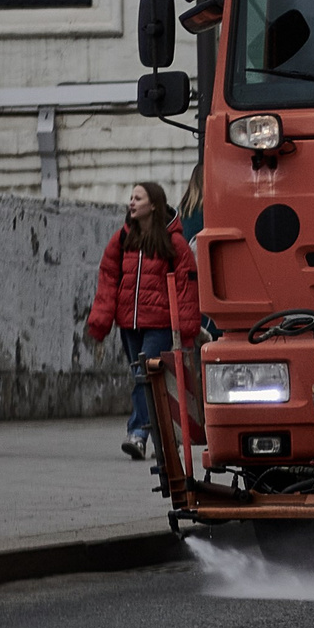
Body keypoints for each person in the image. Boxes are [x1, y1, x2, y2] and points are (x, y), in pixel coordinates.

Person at [86, 180, 201, 461]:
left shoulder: (173, 242)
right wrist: (101, 318)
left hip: (159, 324)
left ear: (153, 205)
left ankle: (137, 434)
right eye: (131, 198)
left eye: (138, 198)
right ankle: (161, 437)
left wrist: (186, 327)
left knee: (144, 377)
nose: (131, 203)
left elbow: (187, 285)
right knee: (145, 379)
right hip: (129, 324)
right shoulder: (123, 238)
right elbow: (108, 277)